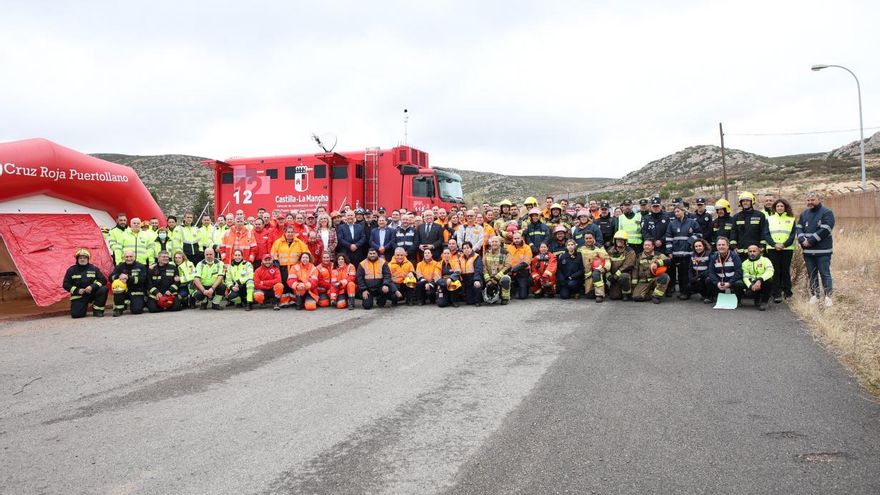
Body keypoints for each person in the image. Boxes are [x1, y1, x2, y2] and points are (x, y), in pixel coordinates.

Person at [796, 191, 835, 306]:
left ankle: (828, 296)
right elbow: (799, 228)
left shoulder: (827, 213)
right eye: (808, 200)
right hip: (807, 251)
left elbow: (826, 229)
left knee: (825, 273)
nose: (810, 202)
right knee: (811, 274)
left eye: (812, 200)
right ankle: (815, 295)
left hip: (823, 251)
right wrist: (802, 240)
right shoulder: (804, 214)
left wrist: (811, 240)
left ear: (819, 200)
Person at [665, 205, 701, 298]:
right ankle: (682, 292)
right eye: (675, 212)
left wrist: (690, 241)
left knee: (686, 274)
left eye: (678, 211)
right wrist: (669, 252)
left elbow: (699, 234)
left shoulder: (692, 222)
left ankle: (686, 292)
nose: (676, 213)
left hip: (688, 253)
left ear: (683, 211)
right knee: (680, 274)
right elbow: (668, 238)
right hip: (676, 254)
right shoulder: (672, 224)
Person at [63, 248, 108, 318]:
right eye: (80, 258)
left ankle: (97, 311)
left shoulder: (94, 268)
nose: (82, 259)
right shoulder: (71, 270)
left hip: (92, 293)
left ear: (88, 259)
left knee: (103, 289)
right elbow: (66, 284)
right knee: (76, 315)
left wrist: (92, 287)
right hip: (79, 295)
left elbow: (103, 280)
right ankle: (82, 307)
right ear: (77, 259)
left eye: (84, 258)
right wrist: (77, 290)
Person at [766, 198, 796, 302]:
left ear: (785, 207)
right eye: (778, 206)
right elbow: (766, 234)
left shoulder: (791, 219)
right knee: (775, 271)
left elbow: (792, 235)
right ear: (775, 208)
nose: (780, 208)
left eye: (782, 206)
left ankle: (788, 292)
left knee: (785, 270)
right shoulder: (769, 219)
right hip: (772, 248)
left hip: (787, 248)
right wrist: (774, 244)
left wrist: (784, 244)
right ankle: (776, 294)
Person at [730, 191, 773, 257]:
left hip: (756, 251)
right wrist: (733, 246)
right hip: (741, 252)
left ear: (752, 202)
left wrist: (762, 246)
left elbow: (763, 232)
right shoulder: (736, 217)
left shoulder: (760, 215)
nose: (745, 202)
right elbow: (733, 232)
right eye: (743, 201)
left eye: (747, 200)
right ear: (740, 203)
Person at [271, 225, 309, 299]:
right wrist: (276, 266)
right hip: (282, 268)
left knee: (294, 284)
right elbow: (273, 255)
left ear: (294, 233)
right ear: (284, 233)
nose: (290, 234)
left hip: (295, 268)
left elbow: (306, 254)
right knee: (284, 284)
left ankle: (295, 300)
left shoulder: (299, 243)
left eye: (292, 232)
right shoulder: (278, 242)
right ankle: (284, 301)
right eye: (288, 232)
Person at [110, 250, 149, 316]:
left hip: (136, 291)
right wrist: (118, 277)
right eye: (127, 257)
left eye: (131, 256)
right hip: (123, 291)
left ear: (134, 257)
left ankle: (142, 302)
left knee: (137, 310)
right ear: (124, 258)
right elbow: (111, 277)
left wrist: (128, 278)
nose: (129, 259)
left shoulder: (141, 266)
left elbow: (143, 279)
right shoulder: (120, 266)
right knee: (117, 289)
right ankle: (118, 309)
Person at [631, 239, 670, 303]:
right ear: (643, 246)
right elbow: (635, 270)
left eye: (649, 245)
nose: (647, 247)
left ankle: (656, 296)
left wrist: (657, 264)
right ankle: (650, 292)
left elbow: (668, 261)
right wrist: (634, 285)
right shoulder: (638, 256)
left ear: (653, 247)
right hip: (643, 281)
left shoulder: (659, 255)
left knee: (665, 277)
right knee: (636, 297)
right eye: (645, 245)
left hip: (655, 280)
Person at [706, 237, 742, 304]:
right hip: (719, 281)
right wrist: (717, 283)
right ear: (716, 246)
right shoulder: (713, 257)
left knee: (739, 283)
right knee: (708, 280)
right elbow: (711, 272)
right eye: (719, 245)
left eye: (723, 245)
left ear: (728, 246)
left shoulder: (735, 256)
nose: (721, 246)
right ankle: (710, 297)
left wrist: (729, 283)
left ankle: (738, 300)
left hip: (731, 281)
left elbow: (739, 272)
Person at [577, 231, 610, 302]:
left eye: (590, 238)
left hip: (596, 272)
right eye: (586, 238)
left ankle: (599, 295)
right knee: (589, 295)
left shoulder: (599, 248)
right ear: (584, 239)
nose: (588, 240)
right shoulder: (580, 249)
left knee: (596, 274)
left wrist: (605, 268)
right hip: (585, 274)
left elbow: (607, 259)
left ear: (594, 238)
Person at [741, 244, 775, 311]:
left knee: (769, 281)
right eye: (750, 251)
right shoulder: (745, 263)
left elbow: (770, 271)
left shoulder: (765, 260)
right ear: (748, 253)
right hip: (753, 283)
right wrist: (751, 286)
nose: (752, 253)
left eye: (754, 251)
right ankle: (757, 297)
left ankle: (764, 302)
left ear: (759, 251)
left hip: (763, 281)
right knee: (748, 294)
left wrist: (760, 280)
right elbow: (745, 277)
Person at [482, 236, 512, 305]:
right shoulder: (486, 253)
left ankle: (505, 298)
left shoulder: (505, 253)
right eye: (493, 242)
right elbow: (484, 267)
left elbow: (508, 266)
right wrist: (488, 280)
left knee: (506, 279)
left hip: (500, 276)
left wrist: (496, 278)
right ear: (490, 243)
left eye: (496, 242)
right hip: (489, 277)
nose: (494, 243)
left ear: (500, 243)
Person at [607, 231, 636, 301]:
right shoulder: (610, 250)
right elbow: (606, 263)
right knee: (614, 296)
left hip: (624, 274)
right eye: (617, 239)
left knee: (624, 277)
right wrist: (608, 275)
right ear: (615, 240)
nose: (619, 241)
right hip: (614, 277)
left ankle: (626, 293)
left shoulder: (630, 251)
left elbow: (628, 265)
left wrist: (616, 275)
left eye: (622, 240)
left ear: (625, 241)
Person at [506, 231, 533, 300]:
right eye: (515, 239)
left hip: (522, 271)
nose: (516, 240)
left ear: (522, 238)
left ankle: (525, 286)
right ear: (512, 239)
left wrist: (514, 269)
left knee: (522, 296)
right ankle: (514, 289)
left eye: (518, 238)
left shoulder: (527, 247)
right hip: (511, 272)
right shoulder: (509, 247)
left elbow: (527, 262)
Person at [458, 241, 484, 306]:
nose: (466, 249)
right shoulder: (460, 258)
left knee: (477, 286)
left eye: (468, 247)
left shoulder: (476, 257)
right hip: (465, 280)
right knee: (469, 302)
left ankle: (478, 301)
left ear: (471, 248)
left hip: (474, 277)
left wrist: (477, 280)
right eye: (464, 248)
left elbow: (478, 269)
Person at [687, 238, 713, 303]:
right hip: (697, 276)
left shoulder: (709, 254)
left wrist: (699, 276)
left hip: (706, 276)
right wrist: (691, 278)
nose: (698, 248)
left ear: (704, 246)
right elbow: (690, 268)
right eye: (696, 246)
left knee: (708, 281)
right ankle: (703, 294)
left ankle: (710, 296)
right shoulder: (693, 255)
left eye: (700, 246)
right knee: (690, 285)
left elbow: (711, 269)